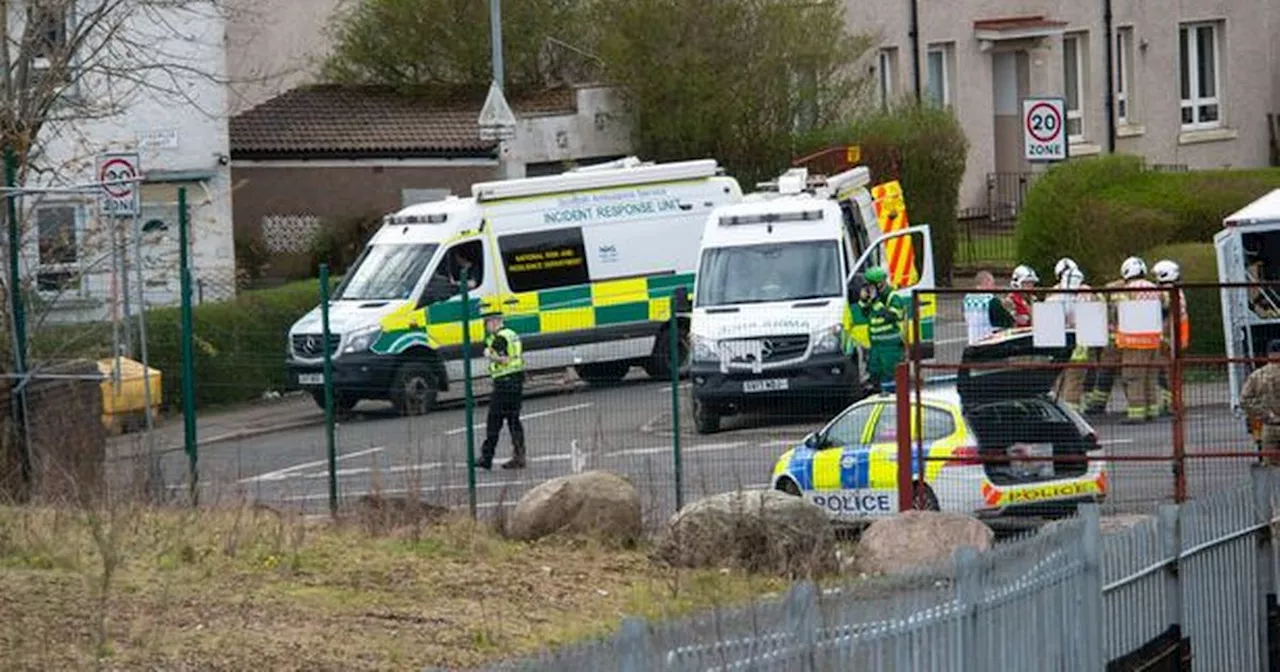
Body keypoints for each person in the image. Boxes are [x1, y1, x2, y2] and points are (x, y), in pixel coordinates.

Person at [1114, 256, 1162, 423]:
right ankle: (1152, 411)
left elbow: (1118, 310)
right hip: (1154, 341)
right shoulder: (1154, 288)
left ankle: (1136, 414)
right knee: (1150, 377)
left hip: (1134, 342)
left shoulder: (1127, 290)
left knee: (1133, 377)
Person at [477, 310, 526, 470]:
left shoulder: (500, 338)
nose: (485, 327)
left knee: (494, 421)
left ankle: (487, 457)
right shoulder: (512, 334)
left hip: (504, 383)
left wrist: (489, 355)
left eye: (486, 323)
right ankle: (519, 456)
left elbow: (503, 359)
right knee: (513, 420)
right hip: (516, 381)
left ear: (493, 322)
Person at [1046, 258, 1095, 412]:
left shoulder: (1053, 293)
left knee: (1059, 380)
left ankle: (1058, 410)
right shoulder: (1087, 291)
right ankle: (1072, 413)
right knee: (1075, 381)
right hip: (1079, 345)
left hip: (1057, 345)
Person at [858, 266, 907, 393]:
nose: (869, 288)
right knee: (874, 375)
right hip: (876, 347)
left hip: (890, 347)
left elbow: (893, 316)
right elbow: (865, 313)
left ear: (880, 284)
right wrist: (863, 300)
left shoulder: (892, 296)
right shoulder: (873, 297)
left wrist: (876, 302)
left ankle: (892, 401)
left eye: (871, 285)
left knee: (889, 378)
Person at [1152, 259, 1189, 417]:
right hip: (1177, 335)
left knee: (1168, 372)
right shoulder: (1175, 290)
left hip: (1170, 336)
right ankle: (1171, 402)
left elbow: (1163, 312)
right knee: (1169, 372)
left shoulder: (1167, 292)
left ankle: (1174, 404)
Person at [1239, 339, 1280, 466]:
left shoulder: (1258, 375)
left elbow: (1244, 400)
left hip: (1270, 425)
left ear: (1268, 354)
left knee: (1271, 467)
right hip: (1269, 424)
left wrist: (1265, 413)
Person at [963, 270, 1015, 344]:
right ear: (987, 282)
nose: (994, 287)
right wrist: (1009, 310)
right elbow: (1007, 321)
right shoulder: (991, 300)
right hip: (988, 342)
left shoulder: (967, 299)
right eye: (993, 284)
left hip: (972, 341)